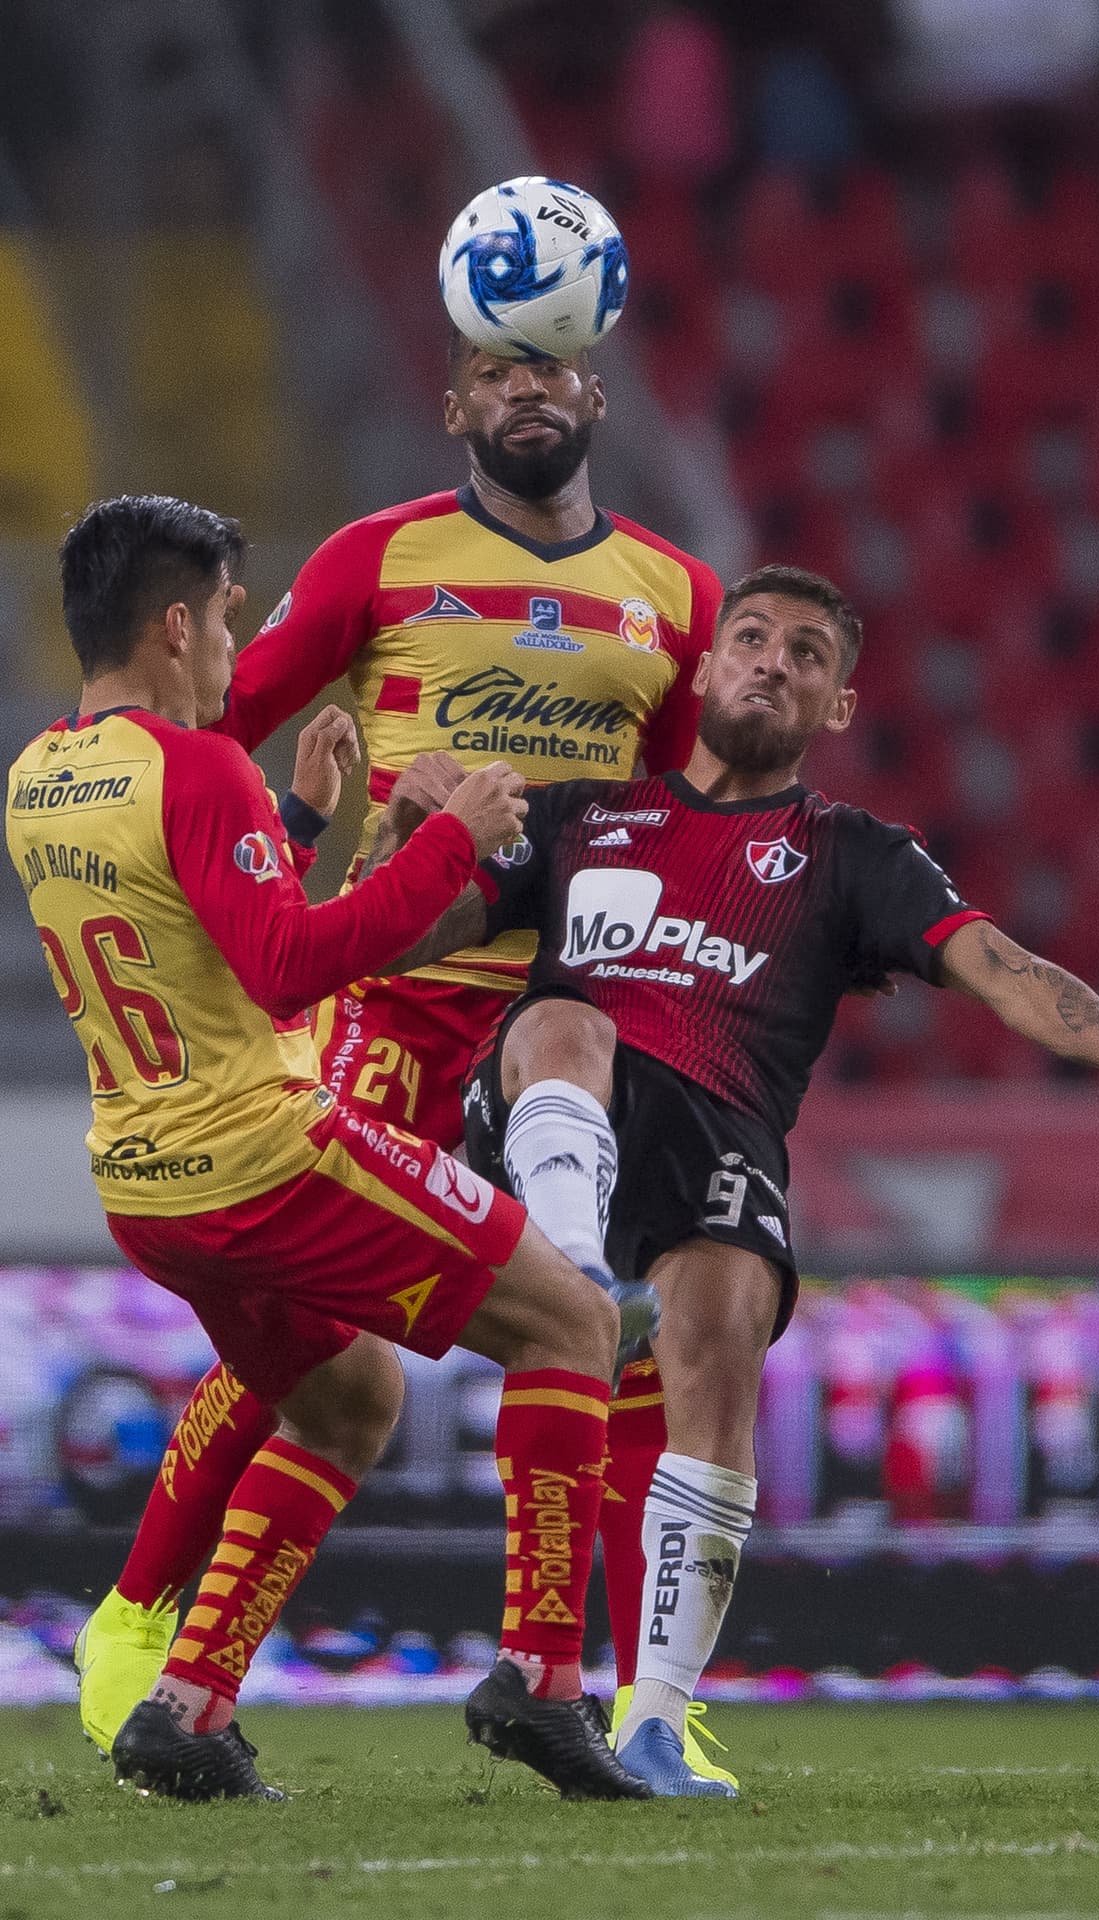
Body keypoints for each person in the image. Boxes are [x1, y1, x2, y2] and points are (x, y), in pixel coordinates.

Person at [370, 561, 1099, 1796]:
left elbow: (994, 964)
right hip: (559, 1105)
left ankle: (655, 1720)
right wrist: (408, 837)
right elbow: (399, 939)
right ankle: (576, 1277)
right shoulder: (577, 816)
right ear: (705, 666)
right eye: (750, 638)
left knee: (724, 1331)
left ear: (835, 705)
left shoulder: (848, 854)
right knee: (560, 1019)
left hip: (720, 1129)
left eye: (805, 654)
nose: (771, 663)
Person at [74, 334, 730, 1784]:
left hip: (570, 1011)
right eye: (494, 370)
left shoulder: (679, 593)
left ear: (598, 392)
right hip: (397, 1001)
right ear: (452, 404)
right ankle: (141, 1619)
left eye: (550, 366)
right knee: (340, 1344)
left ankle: (646, 1696)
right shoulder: (377, 558)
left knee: (598, 1344)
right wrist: (378, 817)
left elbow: (687, 818)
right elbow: (206, 732)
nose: (525, 391)